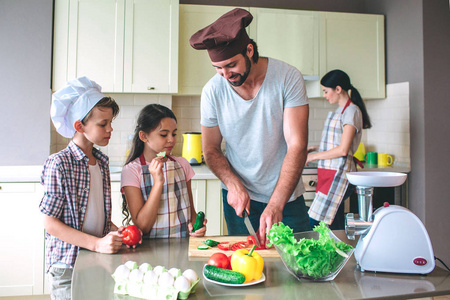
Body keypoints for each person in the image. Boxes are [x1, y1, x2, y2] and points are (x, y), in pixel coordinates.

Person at [189, 8, 310, 246]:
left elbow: (297, 145)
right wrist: (233, 185)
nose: (225, 75)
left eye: (231, 65)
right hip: (239, 200)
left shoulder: (287, 78)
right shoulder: (212, 91)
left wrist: (276, 204)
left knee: (300, 266)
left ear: (250, 50)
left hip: (286, 197)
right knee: (247, 268)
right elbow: (211, 149)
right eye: (218, 68)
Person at [40, 76, 123, 300]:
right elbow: (50, 223)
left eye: (110, 122)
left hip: (97, 259)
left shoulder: (102, 162)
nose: (110, 129)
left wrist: (116, 231)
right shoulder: (59, 163)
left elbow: (95, 214)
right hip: (68, 266)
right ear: (79, 126)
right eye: (103, 124)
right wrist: (97, 244)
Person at [121, 104, 206, 238]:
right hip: (150, 251)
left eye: (174, 134)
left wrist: (197, 228)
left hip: (183, 246)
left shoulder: (182, 164)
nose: (171, 139)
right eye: (163, 134)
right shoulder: (131, 170)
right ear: (143, 136)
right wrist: (158, 182)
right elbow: (142, 226)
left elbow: (191, 214)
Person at [307, 69, 372, 230]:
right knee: (330, 223)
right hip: (330, 173)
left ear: (338, 89)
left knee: (317, 222)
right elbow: (337, 142)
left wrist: (313, 157)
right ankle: (338, 253)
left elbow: (343, 149)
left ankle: (337, 252)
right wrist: (314, 148)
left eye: (326, 91)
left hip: (339, 174)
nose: (324, 95)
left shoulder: (351, 111)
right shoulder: (340, 111)